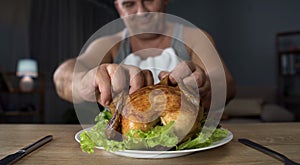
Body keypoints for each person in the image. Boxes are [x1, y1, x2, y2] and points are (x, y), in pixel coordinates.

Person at [53, 0, 236, 110]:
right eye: (129, 4)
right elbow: (62, 78)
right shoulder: (109, 45)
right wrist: (84, 82)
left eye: (149, 0)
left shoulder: (194, 37)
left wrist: (205, 86)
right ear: (119, 8)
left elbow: (225, 82)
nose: (141, 12)